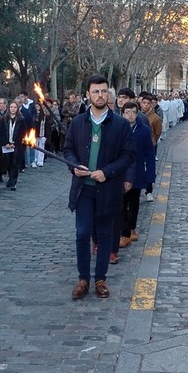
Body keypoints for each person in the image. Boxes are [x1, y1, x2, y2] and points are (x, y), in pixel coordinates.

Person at [62, 75, 135, 300]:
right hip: (84, 189)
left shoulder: (120, 124)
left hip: (108, 190)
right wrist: (74, 167)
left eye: (104, 91)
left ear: (108, 95)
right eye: (95, 91)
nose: (100, 95)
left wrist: (107, 171)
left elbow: (128, 155)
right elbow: (68, 150)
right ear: (88, 94)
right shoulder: (77, 122)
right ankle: (83, 278)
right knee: (82, 233)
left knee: (104, 236)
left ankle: (100, 278)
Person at [118, 101, 154, 248]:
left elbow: (150, 154)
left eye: (133, 112)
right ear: (122, 113)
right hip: (121, 171)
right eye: (127, 112)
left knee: (133, 204)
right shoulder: (118, 129)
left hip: (138, 171)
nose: (130, 115)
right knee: (121, 204)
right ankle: (125, 232)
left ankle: (131, 228)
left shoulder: (144, 130)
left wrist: (150, 176)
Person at [0, 101, 26, 190]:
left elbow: (23, 133)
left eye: (15, 107)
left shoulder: (21, 119)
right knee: (7, 163)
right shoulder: (4, 119)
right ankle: (10, 178)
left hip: (16, 145)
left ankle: (13, 182)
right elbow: (1, 132)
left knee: (15, 163)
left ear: (17, 109)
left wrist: (15, 143)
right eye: (11, 107)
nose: (13, 109)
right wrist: (5, 143)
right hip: (6, 145)